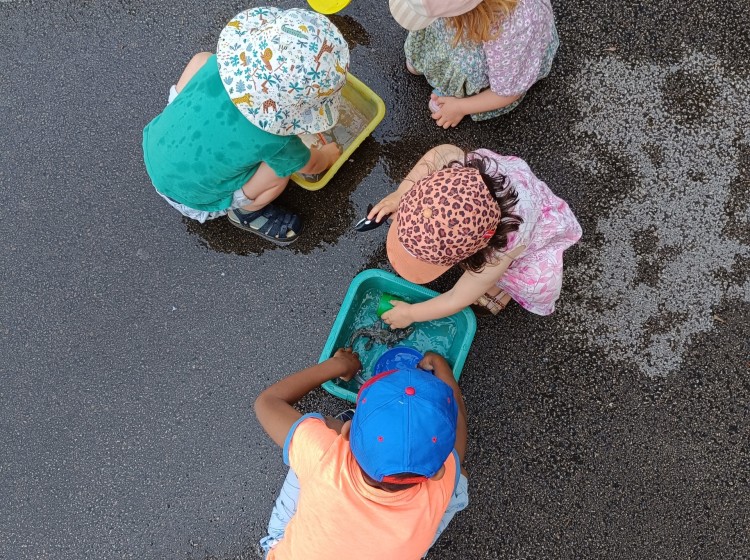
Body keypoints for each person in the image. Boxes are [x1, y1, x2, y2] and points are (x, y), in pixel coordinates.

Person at [142, 7, 348, 244]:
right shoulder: (279, 140)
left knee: (202, 59)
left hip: (154, 152)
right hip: (195, 201)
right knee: (280, 171)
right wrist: (327, 156)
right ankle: (247, 213)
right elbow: (312, 165)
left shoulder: (214, 66)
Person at [254, 348, 469, 559]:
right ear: (437, 472)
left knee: (319, 434)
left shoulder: (325, 453)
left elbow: (267, 402)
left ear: (347, 432)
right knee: (459, 479)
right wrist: (440, 365)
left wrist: (339, 365)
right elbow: (458, 422)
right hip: (400, 539)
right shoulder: (442, 481)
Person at [367, 143, 582, 327]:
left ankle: (501, 287)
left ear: (480, 247)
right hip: (510, 184)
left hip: (535, 231)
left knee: (527, 282)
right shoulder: (459, 173)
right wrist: (401, 194)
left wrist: (411, 314)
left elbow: (456, 298)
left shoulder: (501, 250)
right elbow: (440, 153)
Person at [388, 0, 559, 127]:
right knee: (442, 31)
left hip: (503, 57)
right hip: (468, 23)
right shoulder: (460, 11)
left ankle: (460, 93)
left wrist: (460, 107)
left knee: (470, 60)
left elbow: (509, 91)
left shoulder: (513, 28)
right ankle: (428, 59)